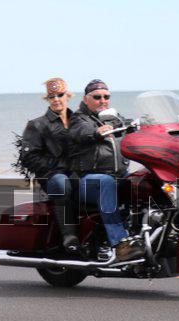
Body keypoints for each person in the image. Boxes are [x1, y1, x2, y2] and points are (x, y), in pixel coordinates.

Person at [68, 79, 144, 261]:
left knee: (144, 180)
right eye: (97, 97)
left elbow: (130, 125)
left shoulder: (114, 118)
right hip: (86, 180)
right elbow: (82, 132)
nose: (103, 100)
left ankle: (149, 232)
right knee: (106, 182)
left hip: (118, 175)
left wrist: (147, 124)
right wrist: (96, 132)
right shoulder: (79, 119)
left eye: (106, 96)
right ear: (86, 99)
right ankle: (120, 244)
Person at [15, 78, 79, 253]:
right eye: (52, 96)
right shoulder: (37, 125)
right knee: (61, 182)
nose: (56, 99)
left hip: (77, 174)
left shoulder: (79, 121)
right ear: (47, 99)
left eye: (60, 95)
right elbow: (28, 158)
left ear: (68, 96)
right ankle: (69, 236)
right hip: (51, 177)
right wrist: (59, 167)